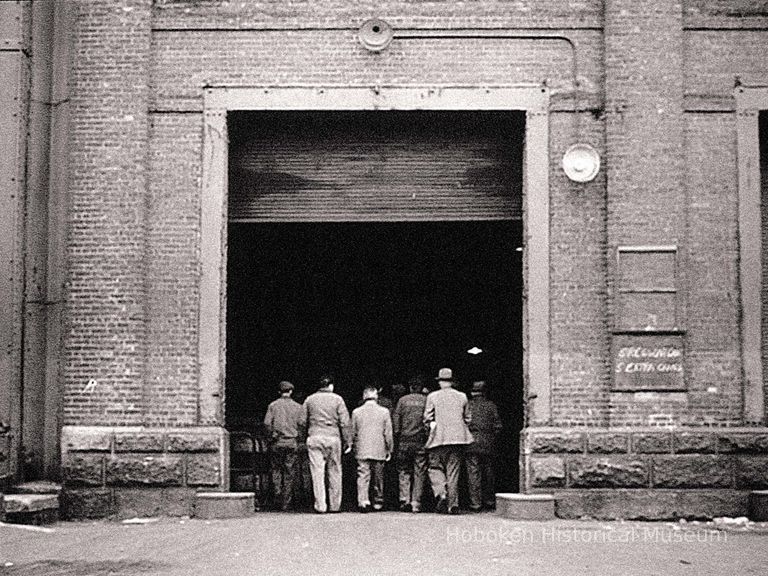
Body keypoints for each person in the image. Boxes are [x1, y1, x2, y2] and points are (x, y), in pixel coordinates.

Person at [423, 367, 473, 514]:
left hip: (438, 439)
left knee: (435, 468)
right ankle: (453, 504)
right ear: (451, 382)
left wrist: (429, 429)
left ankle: (441, 493)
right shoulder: (462, 396)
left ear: (439, 382)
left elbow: (427, 418)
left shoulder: (432, 397)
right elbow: (468, 418)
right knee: (453, 472)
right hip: (458, 439)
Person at [300, 375, 351, 513]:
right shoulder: (338, 399)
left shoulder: (309, 400)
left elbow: (302, 421)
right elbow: (345, 422)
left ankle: (320, 505)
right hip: (333, 438)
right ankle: (335, 505)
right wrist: (348, 441)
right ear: (331, 386)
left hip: (315, 437)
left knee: (317, 472)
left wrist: (303, 438)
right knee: (335, 471)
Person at [351, 386, 393, 512]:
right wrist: (389, 448)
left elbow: (352, 431)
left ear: (364, 397)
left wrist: (351, 445)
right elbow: (388, 433)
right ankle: (378, 501)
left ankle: (363, 501)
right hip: (379, 448)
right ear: (376, 397)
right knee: (378, 476)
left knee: (363, 475)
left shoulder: (356, 412)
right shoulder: (384, 412)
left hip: (362, 448)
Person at [263, 380, 303, 511]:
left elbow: (267, 423)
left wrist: (271, 436)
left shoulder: (273, 405)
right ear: (291, 392)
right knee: (289, 472)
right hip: (291, 442)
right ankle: (286, 502)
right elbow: (302, 424)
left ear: (279, 392)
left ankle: (277, 495)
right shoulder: (298, 407)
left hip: (277, 442)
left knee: (276, 469)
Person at [466, 380, 503, 511]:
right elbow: (498, 426)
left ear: (472, 392)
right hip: (488, 443)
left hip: (471, 442)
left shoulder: (468, 405)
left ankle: (475, 503)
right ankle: (489, 500)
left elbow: (464, 423)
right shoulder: (491, 406)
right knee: (489, 473)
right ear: (484, 392)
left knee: (473, 473)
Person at [393, 376, 428, 512]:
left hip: (404, 441)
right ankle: (416, 502)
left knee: (403, 470)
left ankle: (404, 499)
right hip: (420, 441)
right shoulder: (426, 401)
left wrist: (397, 437)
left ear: (410, 386)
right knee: (419, 472)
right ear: (421, 387)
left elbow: (396, 423)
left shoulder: (402, 401)